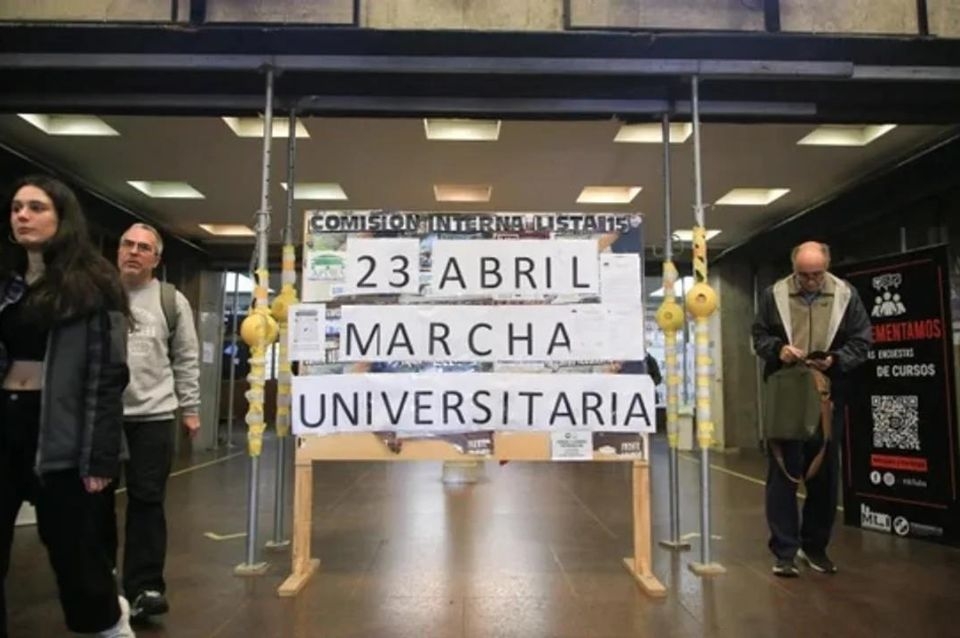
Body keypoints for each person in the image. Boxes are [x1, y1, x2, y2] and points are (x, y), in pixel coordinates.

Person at [0, 175, 133, 637]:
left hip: (63, 435)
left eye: (36, 208)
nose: (23, 216)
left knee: (76, 558)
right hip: (7, 424)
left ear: (62, 217)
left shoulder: (93, 285)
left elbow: (109, 374)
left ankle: (110, 624)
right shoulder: (8, 284)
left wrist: (100, 456)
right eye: (17, 208)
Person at [752, 241, 871, 577]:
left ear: (827, 267)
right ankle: (785, 552)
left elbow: (862, 341)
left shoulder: (846, 295)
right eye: (803, 275)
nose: (810, 281)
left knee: (825, 473)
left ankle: (815, 547)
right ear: (794, 270)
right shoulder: (773, 295)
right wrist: (778, 350)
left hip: (828, 394)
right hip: (786, 392)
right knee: (783, 472)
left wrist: (836, 360)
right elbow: (758, 336)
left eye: (817, 274)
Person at [112, 223, 200, 623]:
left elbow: (186, 356)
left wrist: (191, 408)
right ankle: (101, 581)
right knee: (95, 504)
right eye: (128, 244)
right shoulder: (98, 293)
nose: (134, 252)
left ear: (156, 259)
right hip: (104, 417)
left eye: (143, 247)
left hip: (154, 416)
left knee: (147, 502)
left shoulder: (170, 300)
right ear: (118, 251)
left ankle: (144, 587)